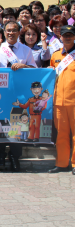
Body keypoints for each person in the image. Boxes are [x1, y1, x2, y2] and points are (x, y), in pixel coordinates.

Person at [0, 21, 37, 172]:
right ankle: (0, 157)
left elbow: (35, 70)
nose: (11, 33)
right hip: (0, 93)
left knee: (17, 125)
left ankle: (15, 156)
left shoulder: (25, 50)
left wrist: (24, 66)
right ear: (4, 32)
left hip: (19, 94)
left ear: (18, 32)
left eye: (14, 30)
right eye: (8, 31)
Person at [48, 25, 75, 174]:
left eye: (71, 35)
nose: (68, 38)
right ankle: (62, 163)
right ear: (61, 37)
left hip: (74, 101)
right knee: (61, 134)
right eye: (65, 35)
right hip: (59, 102)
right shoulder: (55, 56)